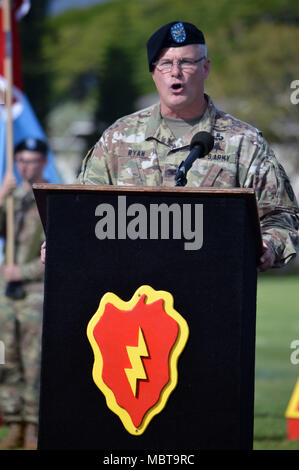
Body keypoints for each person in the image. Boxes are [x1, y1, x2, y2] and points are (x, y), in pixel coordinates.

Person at [42, 21, 298, 270]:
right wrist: (62, 239)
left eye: (186, 62)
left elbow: (282, 218)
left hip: (214, 291)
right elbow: (81, 210)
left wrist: (268, 245)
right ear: (153, 73)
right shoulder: (118, 138)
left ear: (205, 67)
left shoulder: (244, 142)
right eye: (165, 64)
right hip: (130, 294)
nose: (176, 72)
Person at [0, 138, 47, 450]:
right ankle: (12, 421)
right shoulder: (12, 200)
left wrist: (24, 272)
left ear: (43, 162)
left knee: (35, 363)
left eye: (32, 160)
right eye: (21, 160)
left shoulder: (52, 199)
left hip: (35, 295)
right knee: (5, 360)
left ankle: (33, 426)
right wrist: (2, 194)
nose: (26, 166)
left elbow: (60, 251)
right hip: (6, 297)